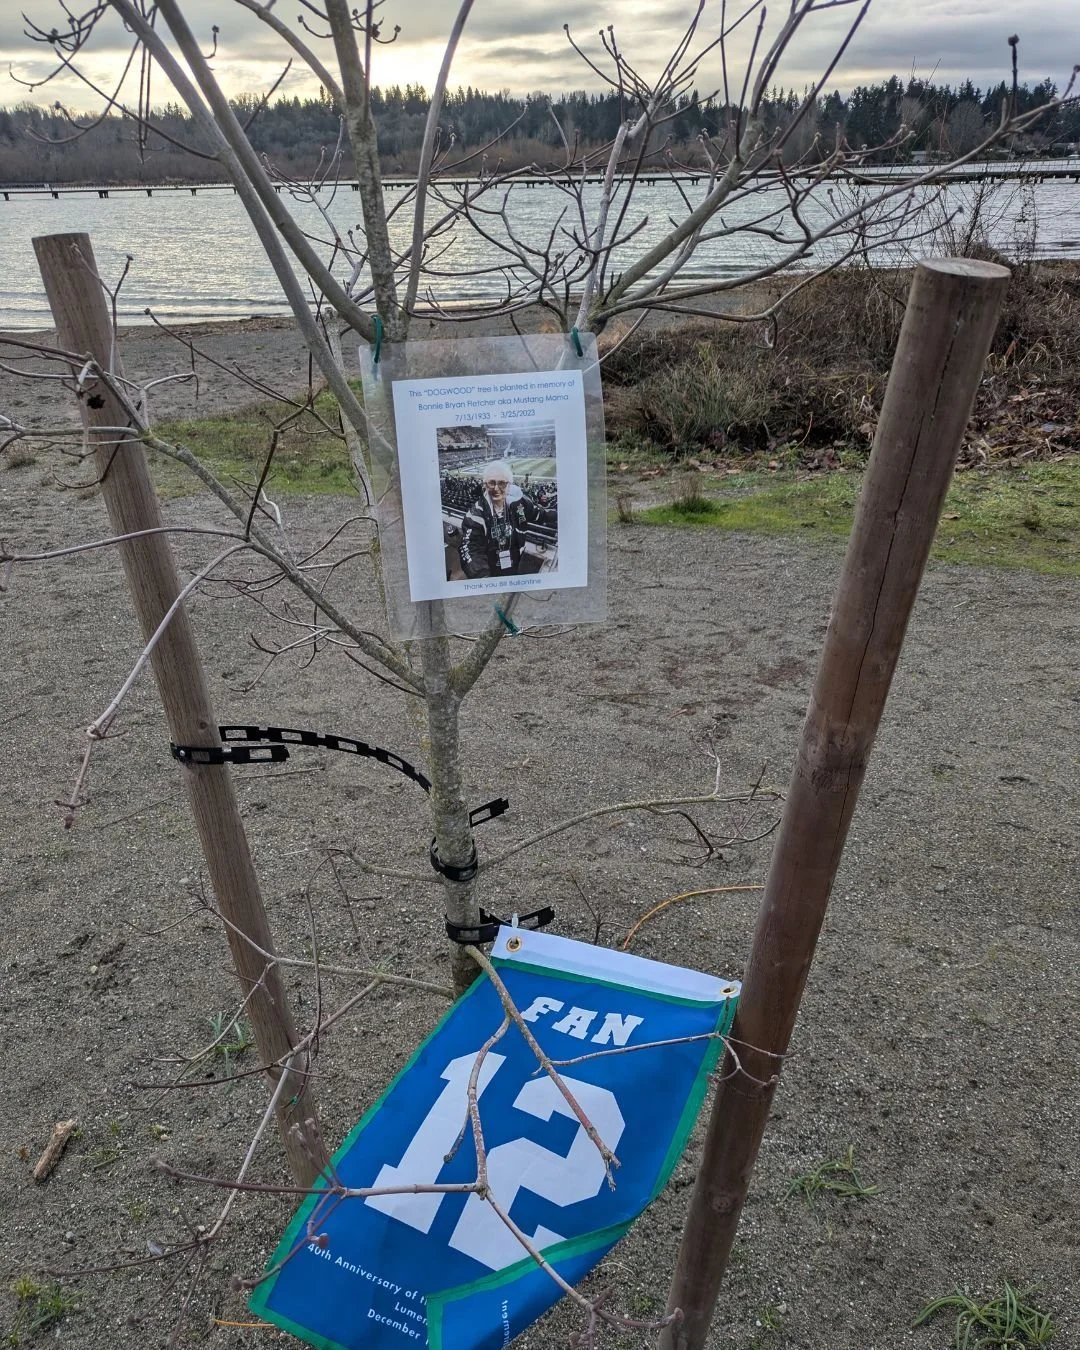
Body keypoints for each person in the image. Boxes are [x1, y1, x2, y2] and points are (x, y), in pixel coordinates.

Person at [458, 460, 556, 579]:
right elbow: (470, 549)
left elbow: (540, 514)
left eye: (502, 483)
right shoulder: (476, 515)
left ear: (509, 485)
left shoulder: (520, 503)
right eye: (491, 483)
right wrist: (483, 578)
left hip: (515, 560)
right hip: (491, 568)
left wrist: (563, 514)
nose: (496, 489)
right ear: (484, 485)